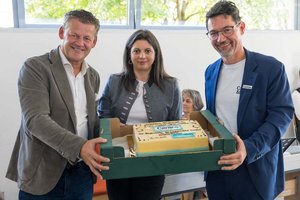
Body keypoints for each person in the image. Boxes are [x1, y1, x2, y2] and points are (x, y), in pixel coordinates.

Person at [6, 9, 110, 200]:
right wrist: (80, 147)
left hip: (81, 173)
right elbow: (36, 120)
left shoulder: (93, 75)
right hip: (43, 174)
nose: (80, 43)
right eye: (74, 35)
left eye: (87, 38)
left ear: (94, 42)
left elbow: (89, 120)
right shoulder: (35, 68)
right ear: (62, 33)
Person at [204, 1, 294, 200]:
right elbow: (213, 117)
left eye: (227, 30)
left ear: (241, 28)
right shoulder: (210, 72)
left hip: (255, 171)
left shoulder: (270, 69)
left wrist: (249, 147)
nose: (220, 38)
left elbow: (281, 116)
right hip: (218, 170)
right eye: (214, 33)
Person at [98, 29, 182, 200]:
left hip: (153, 160)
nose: (142, 56)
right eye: (136, 51)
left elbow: (175, 123)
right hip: (118, 158)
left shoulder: (171, 85)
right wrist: (113, 127)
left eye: (147, 51)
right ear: (129, 55)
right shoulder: (114, 81)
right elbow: (103, 117)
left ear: (155, 55)